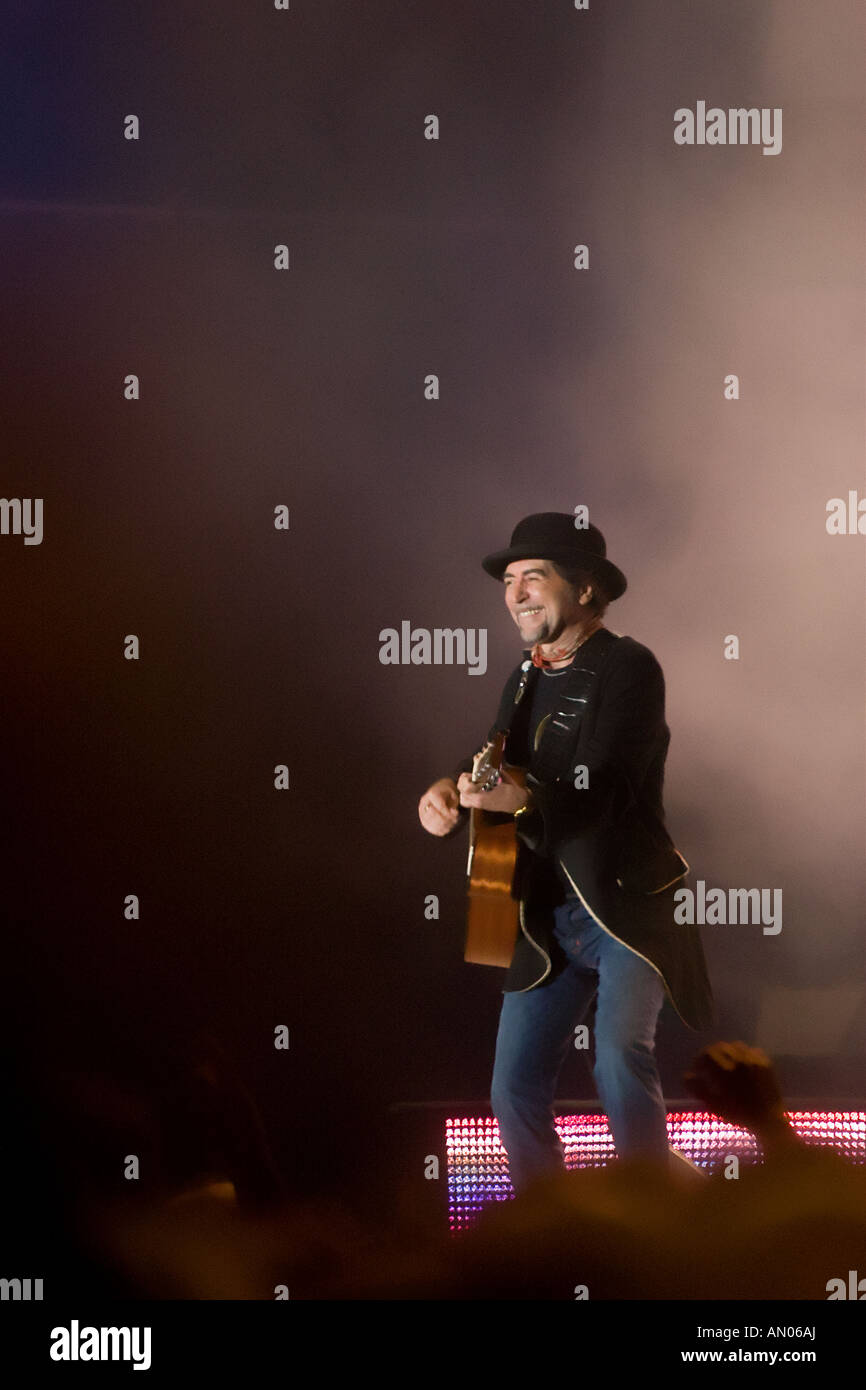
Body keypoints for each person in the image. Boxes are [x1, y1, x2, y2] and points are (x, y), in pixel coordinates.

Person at [418, 512, 715, 1194]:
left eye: (534, 577)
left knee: (616, 1058)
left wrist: (515, 799)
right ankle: (547, 1238)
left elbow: (603, 786)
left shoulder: (630, 667)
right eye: (510, 580)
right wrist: (448, 789)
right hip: (544, 917)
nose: (515, 592)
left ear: (584, 589)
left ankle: (651, 1223)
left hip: (622, 911)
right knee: (512, 1088)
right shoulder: (525, 677)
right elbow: (492, 761)